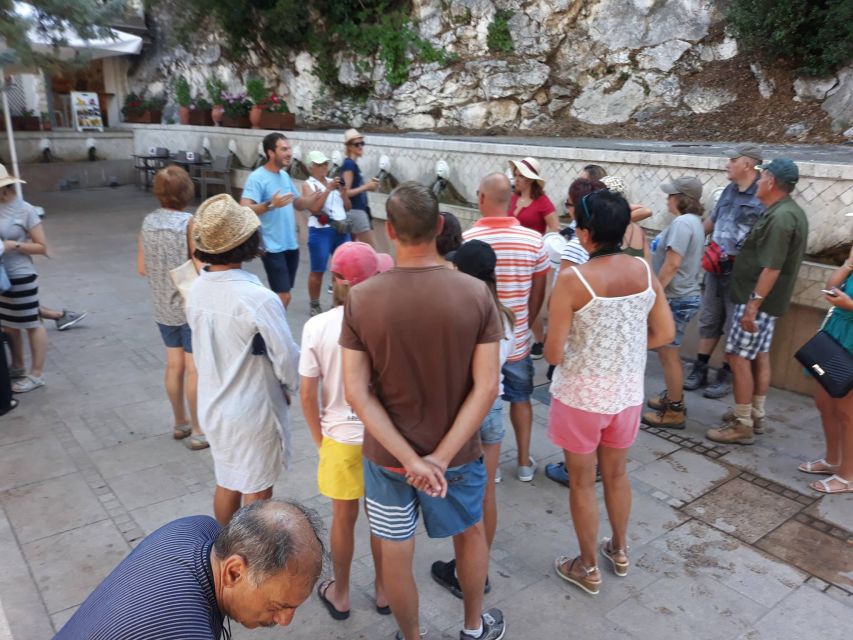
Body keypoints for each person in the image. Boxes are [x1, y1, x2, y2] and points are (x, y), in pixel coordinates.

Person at [341, 182, 506, 640]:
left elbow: (356, 393)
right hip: (457, 459)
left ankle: (411, 637)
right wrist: (437, 457)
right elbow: (487, 386)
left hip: (388, 461)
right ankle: (473, 628)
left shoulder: (362, 298)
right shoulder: (475, 294)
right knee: (470, 535)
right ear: (438, 226)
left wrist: (412, 460)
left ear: (389, 230)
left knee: (395, 551)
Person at [545, 189, 674, 595]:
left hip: (580, 397)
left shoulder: (572, 280)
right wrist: (625, 348)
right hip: (626, 393)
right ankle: (618, 549)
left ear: (584, 233)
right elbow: (665, 333)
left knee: (583, 483)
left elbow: (553, 351)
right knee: (617, 473)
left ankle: (586, 567)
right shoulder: (642, 271)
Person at [53, 499, 325, 639]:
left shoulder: (199, 529)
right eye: (279, 605)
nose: (285, 620)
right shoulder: (185, 631)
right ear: (234, 572)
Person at [186, 194, 300, 524]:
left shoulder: (197, 289)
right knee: (258, 492)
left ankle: (223, 547)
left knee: (227, 481)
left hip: (214, 405)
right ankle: (250, 561)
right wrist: (291, 387)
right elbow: (287, 357)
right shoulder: (257, 298)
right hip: (252, 410)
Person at [298, 241, 392, 620]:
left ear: (335, 280)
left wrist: (321, 440)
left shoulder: (317, 326)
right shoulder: (390, 322)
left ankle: (341, 593)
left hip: (339, 438)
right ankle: (385, 590)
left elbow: (308, 394)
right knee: (382, 518)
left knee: (343, 518)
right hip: (382, 438)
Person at [431, 239, 516, 600]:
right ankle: (477, 569)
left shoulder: (456, 316)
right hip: (494, 409)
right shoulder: (505, 315)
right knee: (486, 494)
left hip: (464, 413)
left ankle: (463, 567)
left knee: (461, 497)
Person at [707, 158, 808, 445]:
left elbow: (772, 267)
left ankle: (742, 424)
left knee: (739, 358)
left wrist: (752, 306)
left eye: (762, 178)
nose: (758, 182)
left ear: (772, 182)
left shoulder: (781, 217)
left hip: (756, 302)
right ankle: (755, 414)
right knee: (759, 355)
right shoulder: (784, 212)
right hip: (763, 301)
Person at [464, 172, 549, 482]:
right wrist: (525, 323)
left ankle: (491, 466)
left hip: (481, 347)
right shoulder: (534, 240)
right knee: (522, 399)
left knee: (484, 401)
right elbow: (539, 292)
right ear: (510, 199)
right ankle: (525, 462)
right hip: (518, 340)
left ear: (482, 198)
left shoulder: (467, 240)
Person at [683, 145, 765, 400]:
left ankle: (726, 374)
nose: (727, 163)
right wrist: (690, 237)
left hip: (740, 274)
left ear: (748, 165)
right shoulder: (729, 191)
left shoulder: (762, 195)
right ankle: (700, 367)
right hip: (715, 268)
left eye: (733, 159)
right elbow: (712, 223)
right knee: (709, 319)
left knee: (733, 326)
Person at [137, 166, 208, 450]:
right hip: (188, 305)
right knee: (194, 369)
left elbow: (142, 267)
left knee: (173, 365)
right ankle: (199, 429)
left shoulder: (148, 222)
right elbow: (200, 265)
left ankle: (180, 422)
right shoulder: (189, 222)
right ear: (186, 192)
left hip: (161, 305)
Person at [643, 177, 706, 428]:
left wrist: (654, 293)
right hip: (683, 296)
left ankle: (675, 410)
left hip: (676, 298)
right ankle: (672, 396)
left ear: (682, 198)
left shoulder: (682, 223)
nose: (667, 198)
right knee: (669, 353)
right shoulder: (693, 222)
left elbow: (672, 263)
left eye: (671, 195)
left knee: (669, 356)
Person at [240, 132, 320, 309]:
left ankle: (270, 329)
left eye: (289, 148)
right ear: (271, 153)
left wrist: (314, 198)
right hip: (271, 246)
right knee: (283, 295)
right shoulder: (257, 177)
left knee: (283, 294)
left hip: (290, 245)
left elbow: (297, 203)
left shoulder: (284, 176)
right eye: (284, 149)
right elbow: (244, 209)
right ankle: (270, 332)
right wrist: (270, 204)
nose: (289, 153)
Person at [799, 238, 853, 494]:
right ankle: (833, 460)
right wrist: (849, 263)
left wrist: (850, 305)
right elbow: (831, 286)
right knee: (825, 401)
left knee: (847, 411)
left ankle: (847, 476)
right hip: (837, 335)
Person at [0, 165, 49, 393]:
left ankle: (36, 374)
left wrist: (15, 245)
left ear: (5, 188)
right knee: (9, 325)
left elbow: (42, 247)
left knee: (31, 323)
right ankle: (17, 365)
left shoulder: (25, 210)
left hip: (21, 275)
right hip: (1, 277)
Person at [509, 157, 556, 357]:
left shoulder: (542, 202)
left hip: (531, 256)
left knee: (530, 297)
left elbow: (554, 229)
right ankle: (522, 336)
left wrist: (540, 244)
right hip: (512, 253)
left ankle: (538, 339)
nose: (516, 179)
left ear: (530, 179)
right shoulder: (513, 198)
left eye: (520, 176)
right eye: (515, 175)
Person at [301, 150, 354, 317]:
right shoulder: (308, 185)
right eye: (318, 164)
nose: (323, 167)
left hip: (341, 229)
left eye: (324, 163)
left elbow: (347, 207)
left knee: (341, 269)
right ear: (311, 167)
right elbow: (315, 208)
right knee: (318, 269)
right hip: (321, 230)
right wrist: (328, 190)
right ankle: (314, 303)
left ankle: (338, 303)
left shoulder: (333, 181)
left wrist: (344, 194)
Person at [341, 128, 379, 247]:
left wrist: (367, 187)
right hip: (356, 211)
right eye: (357, 144)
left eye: (362, 143)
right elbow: (345, 192)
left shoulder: (351, 164)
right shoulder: (349, 164)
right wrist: (366, 187)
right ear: (349, 147)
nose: (360, 146)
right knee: (370, 249)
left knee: (351, 248)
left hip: (354, 211)